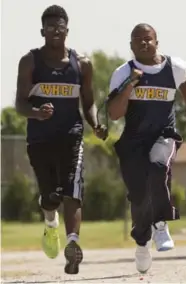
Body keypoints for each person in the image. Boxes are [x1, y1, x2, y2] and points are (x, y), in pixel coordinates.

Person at [15, 5, 107, 274]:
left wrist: (96, 124)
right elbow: (20, 103)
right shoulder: (30, 62)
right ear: (42, 31)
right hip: (40, 140)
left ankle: (73, 244)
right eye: (50, 26)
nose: (56, 30)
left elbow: (88, 103)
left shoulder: (83, 64)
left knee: (72, 192)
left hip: (72, 137)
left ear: (68, 29)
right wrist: (36, 112)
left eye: (60, 26)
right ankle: (50, 224)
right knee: (50, 198)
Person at [106, 23, 186, 273]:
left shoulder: (174, 67)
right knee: (138, 197)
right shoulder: (123, 72)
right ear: (131, 46)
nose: (143, 43)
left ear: (157, 42)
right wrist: (129, 86)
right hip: (133, 140)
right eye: (138, 40)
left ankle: (161, 223)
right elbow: (114, 114)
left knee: (158, 167)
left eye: (148, 39)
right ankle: (141, 244)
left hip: (163, 135)